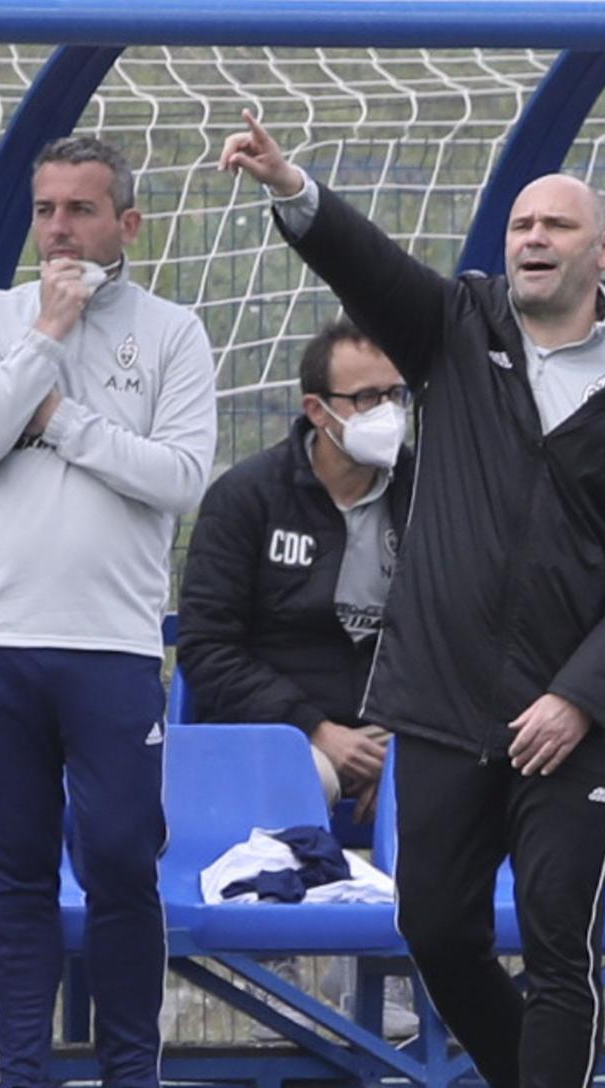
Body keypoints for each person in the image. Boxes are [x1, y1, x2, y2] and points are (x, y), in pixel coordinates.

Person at [223, 114, 605, 1088]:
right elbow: (361, 262)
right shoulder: (456, 327)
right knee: (436, 929)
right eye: (521, 224)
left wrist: (581, 696)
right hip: (444, 704)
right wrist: (292, 184)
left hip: (571, 725)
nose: (533, 238)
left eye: (557, 225)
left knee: (559, 942)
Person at [0, 135, 221, 1088]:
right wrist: (44, 349)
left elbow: (180, 476)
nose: (60, 229)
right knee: (13, 872)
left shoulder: (175, 334)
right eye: (47, 209)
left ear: (126, 223)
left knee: (117, 860)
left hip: (110, 646)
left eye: (81, 210)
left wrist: (57, 424)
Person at [177, 317, 418, 1040]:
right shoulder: (245, 499)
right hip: (274, 735)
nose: (388, 413)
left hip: (393, 724)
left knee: (446, 771)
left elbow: (460, 632)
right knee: (299, 774)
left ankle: (395, 970)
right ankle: (273, 970)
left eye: (398, 394)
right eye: (367, 397)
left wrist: (395, 737)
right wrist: (319, 731)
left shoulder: (431, 494)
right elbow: (207, 649)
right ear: (318, 410)